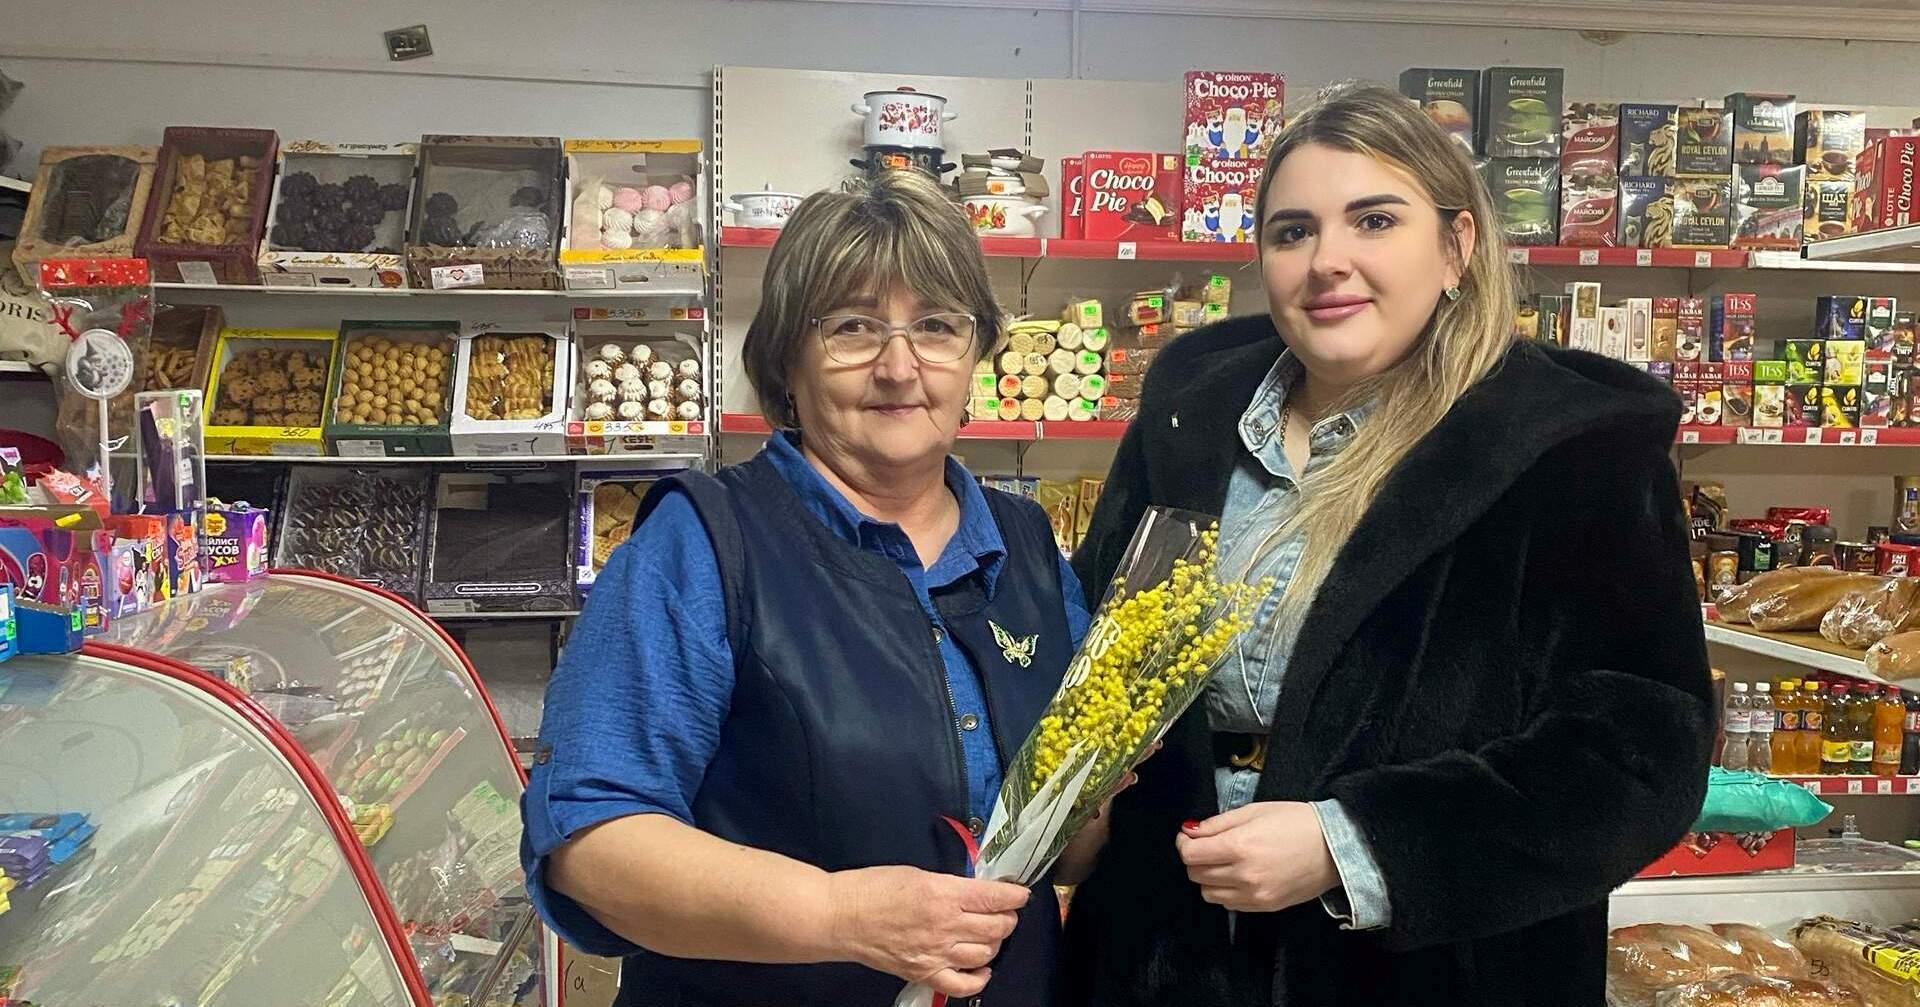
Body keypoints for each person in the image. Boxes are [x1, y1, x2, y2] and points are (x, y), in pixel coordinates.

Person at [1059, 83, 1714, 1007]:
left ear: (1456, 246)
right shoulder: (1186, 424)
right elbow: (1099, 661)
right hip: (1164, 962)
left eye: (1374, 221)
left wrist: (1353, 843)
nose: (1328, 260)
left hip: (1433, 974)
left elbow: (1639, 753)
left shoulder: (1569, 450)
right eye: (1292, 231)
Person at [520, 170, 1099, 1007]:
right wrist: (839, 915)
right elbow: (590, 844)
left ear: (974, 356)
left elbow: (1068, 847)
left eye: (937, 326)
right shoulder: (705, 542)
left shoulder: (1027, 544)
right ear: (787, 358)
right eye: (854, 327)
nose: (899, 366)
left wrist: (1113, 780)